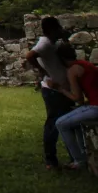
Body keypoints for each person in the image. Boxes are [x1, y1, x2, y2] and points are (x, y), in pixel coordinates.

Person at [54, 42, 98, 170]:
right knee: (76, 123)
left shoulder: (72, 70)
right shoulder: (85, 64)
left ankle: (79, 160)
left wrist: (60, 89)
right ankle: (85, 155)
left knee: (61, 124)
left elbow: (78, 99)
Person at [24, 16, 73, 169]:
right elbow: (30, 56)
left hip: (61, 88)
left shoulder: (53, 43)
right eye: (58, 27)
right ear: (52, 29)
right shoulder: (44, 43)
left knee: (66, 121)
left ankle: (73, 157)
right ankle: (51, 160)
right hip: (53, 90)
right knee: (53, 123)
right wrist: (43, 72)